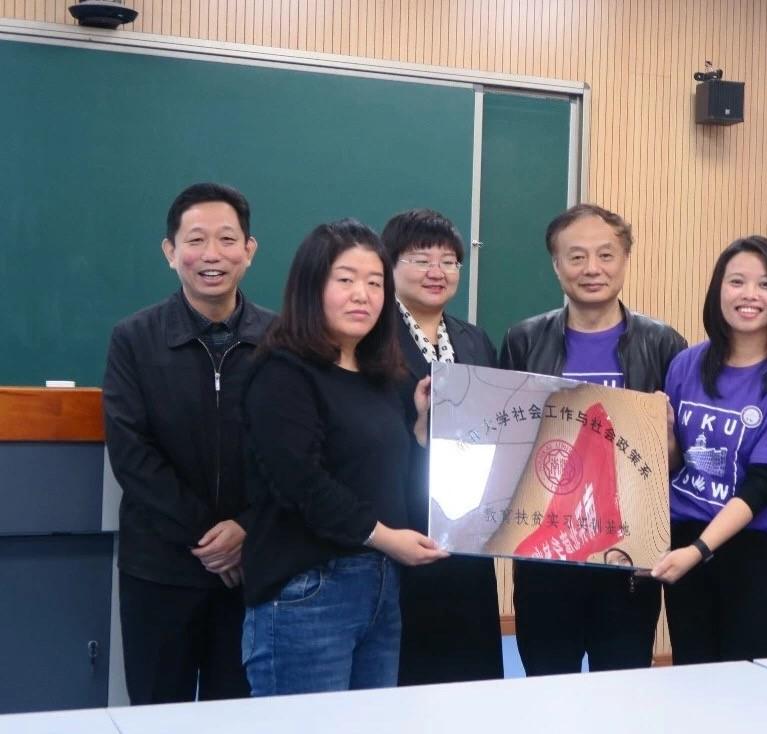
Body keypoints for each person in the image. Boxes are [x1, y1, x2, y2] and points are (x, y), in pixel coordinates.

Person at [240, 218, 447, 696]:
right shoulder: (282, 372)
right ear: (311, 286)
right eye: (346, 279)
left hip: (380, 588)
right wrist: (387, 539)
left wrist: (418, 430)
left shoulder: (382, 376)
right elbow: (302, 483)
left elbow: (383, 477)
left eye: (375, 283)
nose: (362, 295)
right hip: (308, 590)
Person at [102, 182, 274, 704]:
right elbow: (132, 454)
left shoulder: (282, 341)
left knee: (240, 718)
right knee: (157, 713)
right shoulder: (133, 338)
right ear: (170, 251)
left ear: (249, 250)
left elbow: (294, 453)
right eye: (196, 240)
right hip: (160, 568)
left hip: (254, 569)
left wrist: (247, 527)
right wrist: (208, 536)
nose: (212, 255)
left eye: (227, 239)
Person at [499, 203, 686, 675]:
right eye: (576, 256)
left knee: (622, 694)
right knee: (546, 690)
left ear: (625, 259)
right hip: (545, 559)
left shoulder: (664, 344)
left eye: (605, 255)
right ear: (556, 265)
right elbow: (508, 446)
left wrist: (667, 441)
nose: (592, 269)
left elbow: (678, 463)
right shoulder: (523, 340)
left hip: (629, 562)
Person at [652, 236, 767, 664]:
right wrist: (667, 434)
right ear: (718, 290)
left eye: (765, 285)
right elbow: (677, 464)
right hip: (687, 542)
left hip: (757, 556)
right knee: (693, 679)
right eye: (737, 282)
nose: (750, 295)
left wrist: (699, 551)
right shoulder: (686, 364)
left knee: (748, 686)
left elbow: (763, 486)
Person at [381, 209, 504, 685]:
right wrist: (418, 428)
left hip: (468, 532)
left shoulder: (475, 340)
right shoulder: (372, 339)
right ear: (390, 265)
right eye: (420, 259)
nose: (437, 271)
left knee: (471, 673)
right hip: (399, 529)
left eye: (449, 261)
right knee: (407, 674)